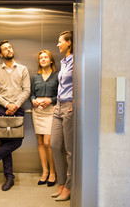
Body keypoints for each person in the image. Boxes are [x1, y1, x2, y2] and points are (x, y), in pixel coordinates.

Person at [0, 40, 30, 191]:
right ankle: (9, 177)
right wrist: (6, 105)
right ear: (0, 54)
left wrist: (15, 105)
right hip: (1, 109)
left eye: (10, 47)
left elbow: (26, 90)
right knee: (5, 144)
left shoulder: (23, 69)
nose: (9, 50)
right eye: (5, 48)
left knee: (16, 142)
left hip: (18, 109)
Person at [50, 31, 74, 201]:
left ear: (69, 42)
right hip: (58, 106)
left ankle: (69, 186)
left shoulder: (77, 61)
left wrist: (76, 103)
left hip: (70, 106)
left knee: (70, 150)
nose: (58, 45)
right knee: (54, 145)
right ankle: (61, 181)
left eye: (60, 42)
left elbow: (83, 82)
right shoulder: (63, 61)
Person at [30, 50, 58, 187]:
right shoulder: (35, 77)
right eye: (41, 57)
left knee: (48, 142)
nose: (43, 59)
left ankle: (53, 172)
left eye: (46, 57)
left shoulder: (57, 76)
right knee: (40, 142)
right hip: (38, 112)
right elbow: (32, 94)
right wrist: (34, 100)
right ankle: (45, 172)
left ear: (51, 60)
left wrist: (51, 100)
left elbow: (61, 95)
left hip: (51, 112)